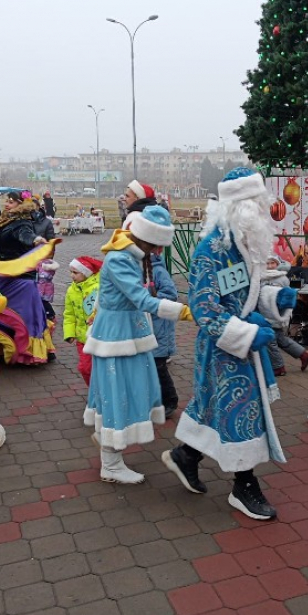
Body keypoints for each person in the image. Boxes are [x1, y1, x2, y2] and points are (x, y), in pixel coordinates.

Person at [162, 168, 294, 521]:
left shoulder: (243, 243)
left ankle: (186, 456)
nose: (263, 211)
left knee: (211, 406)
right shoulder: (212, 249)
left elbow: (242, 295)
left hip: (238, 345)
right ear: (240, 207)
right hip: (224, 350)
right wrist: (248, 334)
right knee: (241, 414)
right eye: (257, 203)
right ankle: (243, 484)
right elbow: (205, 308)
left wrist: (276, 297)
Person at [83, 206, 191, 484]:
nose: (157, 252)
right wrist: (184, 311)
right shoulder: (120, 259)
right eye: (156, 245)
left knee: (135, 392)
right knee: (119, 395)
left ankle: (109, 443)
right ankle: (111, 462)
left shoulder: (130, 255)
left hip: (130, 334)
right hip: (117, 337)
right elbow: (141, 300)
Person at [0, 191, 56, 365]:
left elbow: (25, 234)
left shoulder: (21, 222)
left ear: (20, 205)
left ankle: (27, 351)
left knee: (23, 313)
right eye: (7, 201)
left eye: (11, 202)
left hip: (16, 277)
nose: (7, 204)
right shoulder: (3, 221)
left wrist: (35, 240)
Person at [260, 254, 308, 375]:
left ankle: (278, 367)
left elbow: (287, 297)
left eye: (273, 263)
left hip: (274, 315)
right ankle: (303, 354)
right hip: (264, 313)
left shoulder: (282, 279)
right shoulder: (262, 277)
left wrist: (283, 315)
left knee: (270, 341)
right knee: (280, 339)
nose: (270, 266)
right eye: (267, 263)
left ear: (278, 264)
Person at [63, 256, 102, 386]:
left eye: (75, 272)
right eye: (71, 272)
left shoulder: (98, 288)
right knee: (85, 369)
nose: (71, 276)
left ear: (85, 272)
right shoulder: (71, 290)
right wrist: (69, 333)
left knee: (100, 368)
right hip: (82, 339)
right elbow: (69, 314)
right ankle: (94, 392)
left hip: (98, 336)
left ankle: (102, 393)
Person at [151, 247, 180, 416]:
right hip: (147, 327)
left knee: (159, 367)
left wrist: (150, 300)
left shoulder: (158, 271)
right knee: (150, 367)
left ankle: (170, 400)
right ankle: (156, 400)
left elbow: (171, 294)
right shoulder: (138, 271)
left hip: (160, 328)